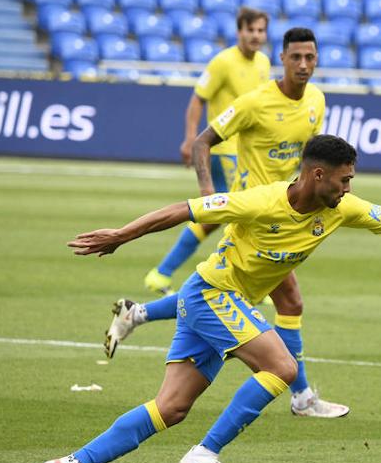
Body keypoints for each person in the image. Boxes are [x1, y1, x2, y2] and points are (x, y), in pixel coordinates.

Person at [42, 135, 381, 463]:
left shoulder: (342, 209)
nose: (349, 189)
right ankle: (204, 454)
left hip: (215, 302)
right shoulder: (260, 202)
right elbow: (184, 210)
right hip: (211, 295)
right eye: (344, 180)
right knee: (283, 367)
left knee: (171, 409)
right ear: (317, 176)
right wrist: (121, 235)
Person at [105, 27, 348, 419]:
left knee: (235, 293)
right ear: (281, 59)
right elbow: (204, 140)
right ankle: (301, 397)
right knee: (285, 299)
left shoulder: (317, 101)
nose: (304, 65)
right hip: (251, 217)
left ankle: (138, 313)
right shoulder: (254, 103)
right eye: (296, 57)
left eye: (311, 57)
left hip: (285, 215)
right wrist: (206, 190)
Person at [142, 7, 271, 296]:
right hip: (222, 148)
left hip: (247, 152)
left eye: (261, 30)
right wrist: (190, 139)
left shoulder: (263, 62)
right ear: (240, 31)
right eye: (251, 30)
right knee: (234, 213)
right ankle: (238, 283)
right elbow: (197, 100)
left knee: (222, 216)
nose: (256, 36)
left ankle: (163, 274)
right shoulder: (223, 62)